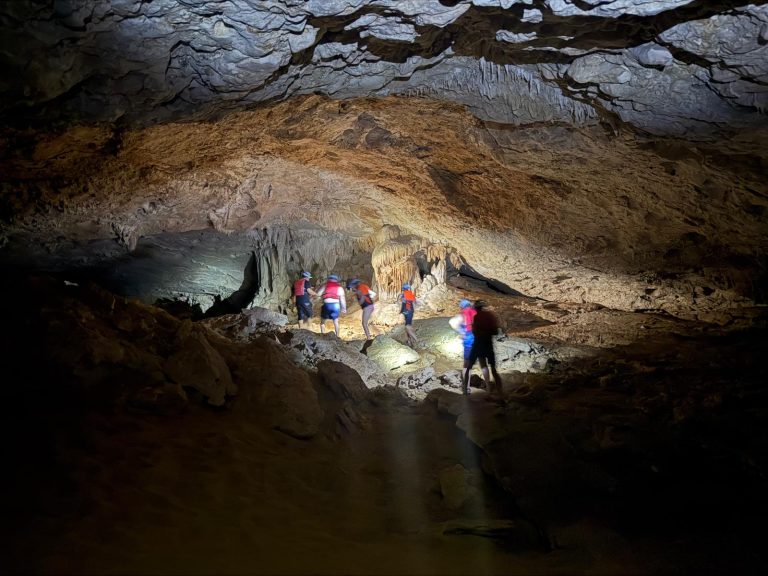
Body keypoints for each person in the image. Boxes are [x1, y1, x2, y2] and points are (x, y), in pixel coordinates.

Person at [462, 300, 503, 397]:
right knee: (492, 369)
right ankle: (499, 392)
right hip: (488, 344)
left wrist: (478, 331)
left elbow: (475, 331)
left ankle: (465, 390)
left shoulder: (476, 317)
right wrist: (487, 331)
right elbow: (495, 331)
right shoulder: (490, 316)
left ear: (476, 308)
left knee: (469, 367)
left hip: (478, 344)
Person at [398, 283, 419, 348]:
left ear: (403, 289)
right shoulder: (411, 294)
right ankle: (410, 341)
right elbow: (415, 303)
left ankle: (417, 340)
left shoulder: (402, 295)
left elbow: (399, 302)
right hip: (410, 312)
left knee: (407, 326)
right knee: (408, 325)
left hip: (407, 311)